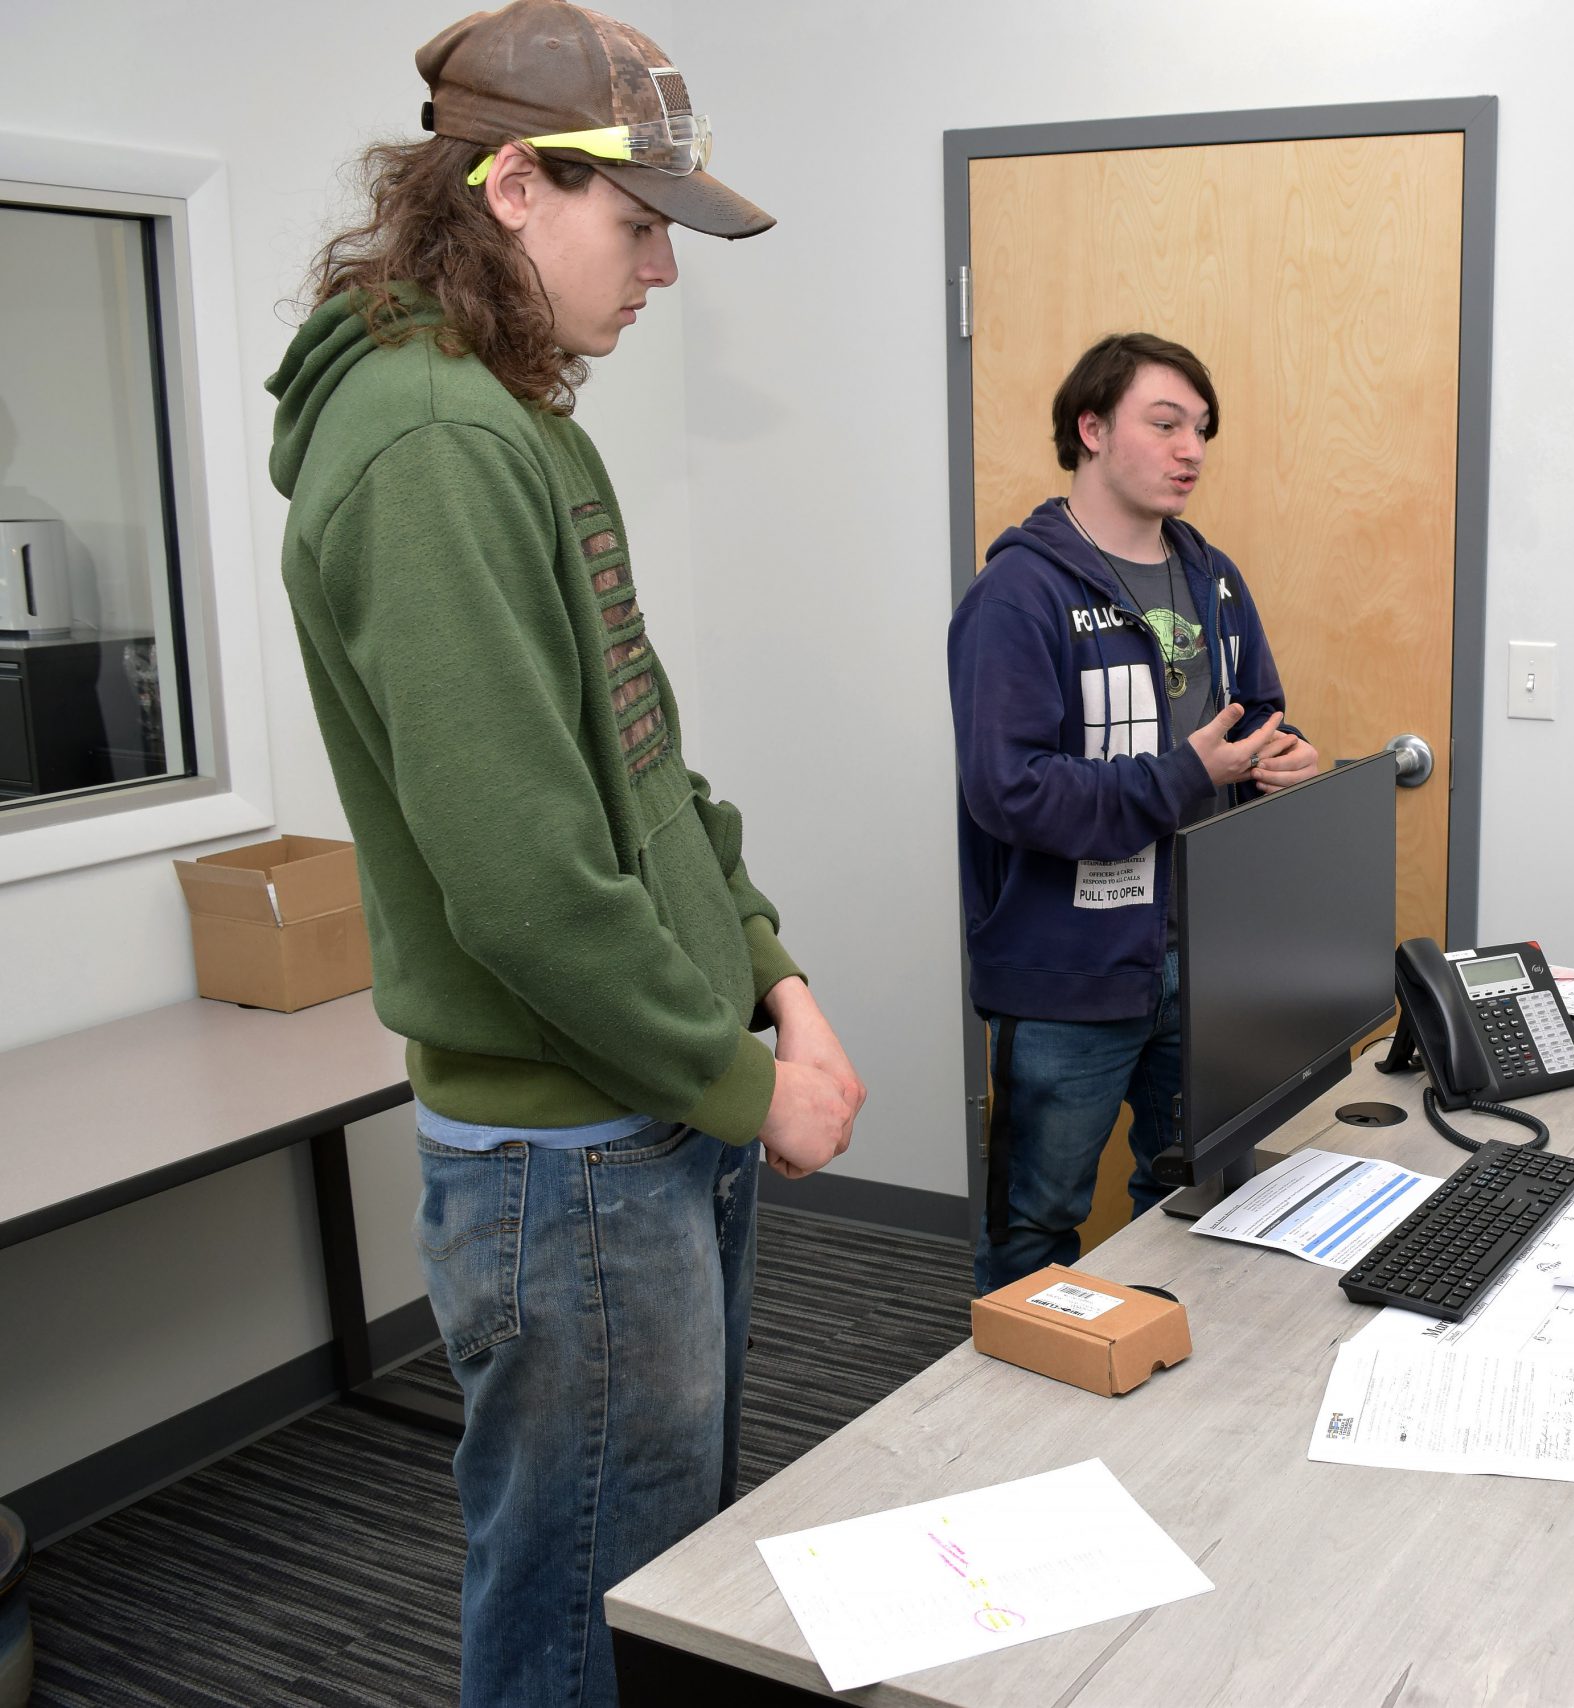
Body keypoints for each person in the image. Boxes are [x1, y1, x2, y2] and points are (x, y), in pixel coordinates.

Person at [266, 6, 861, 1702]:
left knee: (655, 1560)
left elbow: (644, 760)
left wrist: (772, 971)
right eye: (641, 220)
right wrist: (745, 1082)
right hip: (572, 1151)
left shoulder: (514, 420)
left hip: (642, 1099)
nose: (663, 269)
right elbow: (521, 881)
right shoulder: (434, 446)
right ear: (515, 184)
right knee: (587, 1588)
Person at [948, 333, 1321, 1293]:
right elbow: (1008, 788)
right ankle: (1009, 1426)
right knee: (1036, 1225)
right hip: (1066, 976)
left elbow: (1253, 714)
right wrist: (1183, 776)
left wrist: (1279, 756)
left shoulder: (1215, 578)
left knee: (1198, 1201)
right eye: (1165, 425)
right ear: (1091, 429)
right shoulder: (1017, 596)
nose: (1189, 449)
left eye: (1201, 430)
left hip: (1204, 960)